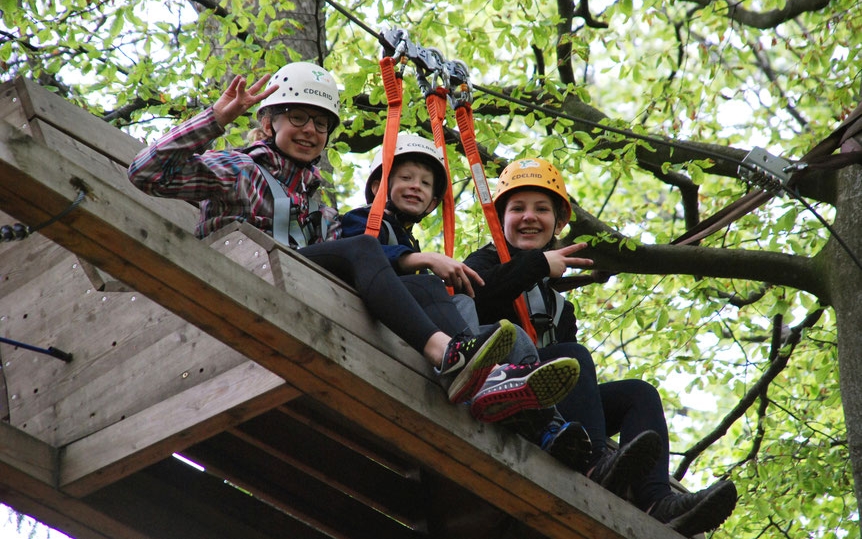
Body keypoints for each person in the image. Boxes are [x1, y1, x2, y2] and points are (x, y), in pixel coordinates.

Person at [127, 61, 517, 408]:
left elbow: (356, 271)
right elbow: (146, 173)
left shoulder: (321, 210)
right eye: (297, 117)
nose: (310, 131)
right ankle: (444, 352)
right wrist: (215, 118)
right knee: (363, 246)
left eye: (320, 124)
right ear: (267, 123)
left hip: (301, 291)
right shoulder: (238, 169)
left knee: (427, 289)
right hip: (243, 277)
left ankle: (483, 379)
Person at [462, 157, 738, 538]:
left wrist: (541, 271)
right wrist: (539, 265)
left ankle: (659, 501)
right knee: (572, 358)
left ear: (559, 223)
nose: (529, 217)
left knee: (638, 394)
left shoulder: (559, 306)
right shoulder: (484, 262)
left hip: (549, 402)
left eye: (542, 209)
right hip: (500, 389)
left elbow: (574, 383)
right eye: (517, 209)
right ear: (501, 219)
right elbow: (479, 301)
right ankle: (594, 463)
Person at [341, 134, 592, 469]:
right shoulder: (365, 224)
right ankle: (476, 366)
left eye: (425, 183)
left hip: (431, 331)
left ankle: (547, 424)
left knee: (515, 336)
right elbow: (362, 256)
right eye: (405, 178)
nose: (415, 186)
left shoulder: (557, 305)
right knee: (449, 293)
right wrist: (425, 261)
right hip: (389, 328)